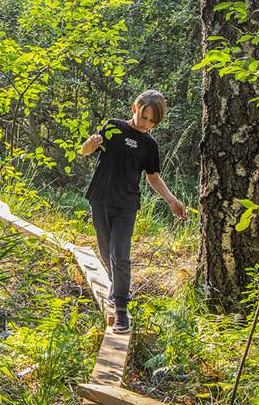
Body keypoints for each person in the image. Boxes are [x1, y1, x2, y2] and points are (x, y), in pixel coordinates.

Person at [79, 90, 186, 334]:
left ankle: (120, 309)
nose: (146, 124)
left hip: (127, 204)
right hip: (100, 198)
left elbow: (153, 177)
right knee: (106, 252)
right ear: (135, 108)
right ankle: (116, 287)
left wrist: (171, 200)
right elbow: (85, 151)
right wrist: (91, 143)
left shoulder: (149, 144)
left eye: (152, 122)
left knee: (121, 253)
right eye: (144, 117)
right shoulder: (113, 127)